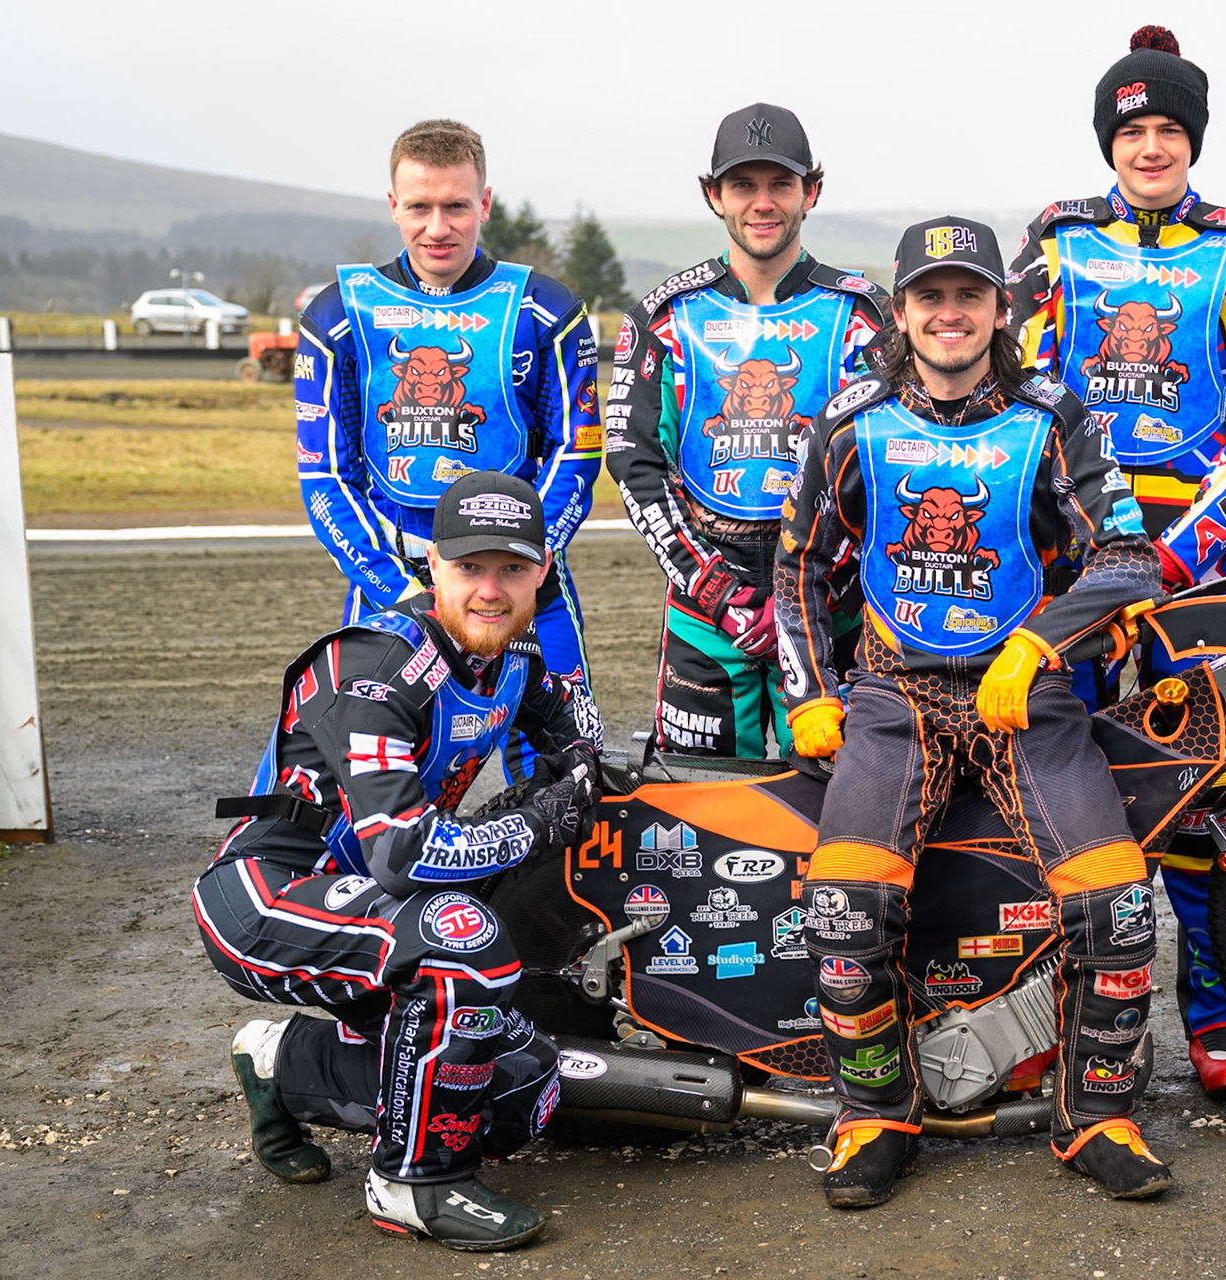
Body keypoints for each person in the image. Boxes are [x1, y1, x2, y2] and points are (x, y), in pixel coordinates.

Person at [776, 217, 1170, 1207]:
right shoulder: (851, 417)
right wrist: (810, 691)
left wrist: (1040, 646)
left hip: (1022, 690)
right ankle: (875, 1116)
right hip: (893, 692)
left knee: (1118, 907)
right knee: (845, 905)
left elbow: (1130, 554)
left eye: (970, 295)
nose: (950, 314)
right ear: (903, 313)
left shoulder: (1054, 414)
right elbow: (796, 569)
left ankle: (1100, 1115)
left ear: (1003, 307)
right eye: (930, 297)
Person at [1007, 24, 1226, 1104]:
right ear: (1108, 141)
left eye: (1169, 128)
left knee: (1206, 802)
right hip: (1076, 558)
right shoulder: (1053, 242)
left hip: (1197, 564)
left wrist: (1185, 550)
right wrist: (1098, 547)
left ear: (1194, 140)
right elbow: (1018, 396)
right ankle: (1050, 1020)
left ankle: (1218, 1016)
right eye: (1132, 129)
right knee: (1058, 789)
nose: (1150, 145)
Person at [193, 472, 603, 1251]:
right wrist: (543, 818)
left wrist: (573, 774)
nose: (492, 590)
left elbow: (580, 751)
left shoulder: (517, 654)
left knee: (522, 1093)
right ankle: (414, 1184)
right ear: (430, 565)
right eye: (470, 568)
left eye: (513, 569)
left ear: (544, 570)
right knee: (464, 938)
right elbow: (405, 851)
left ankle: (284, 1063)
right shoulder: (373, 664)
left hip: (372, 902)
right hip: (267, 889)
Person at [296, 118, 604, 781]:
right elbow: (325, 474)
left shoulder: (546, 310)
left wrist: (515, 562)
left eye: (457, 205)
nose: (438, 226)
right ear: (392, 206)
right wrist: (403, 586)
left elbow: (576, 457)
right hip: (393, 583)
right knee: (376, 774)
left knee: (568, 769)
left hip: (519, 581)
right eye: (420, 207)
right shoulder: (338, 315)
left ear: (484, 204)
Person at [607, 103, 891, 759]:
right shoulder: (664, 316)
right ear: (715, 196)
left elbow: (885, 467)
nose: (762, 203)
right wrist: (719, 592)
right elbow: (634, 466)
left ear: (810, 192)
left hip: (830, 608)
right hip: (706, 612)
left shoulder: (863, 314)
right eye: (743, 185)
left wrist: (816, 588)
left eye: (780, 185)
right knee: (697, 820)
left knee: (834, 811)